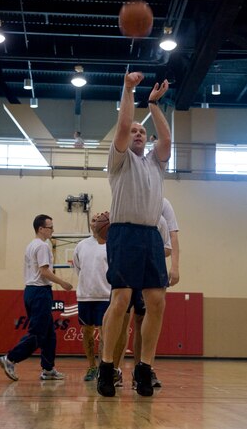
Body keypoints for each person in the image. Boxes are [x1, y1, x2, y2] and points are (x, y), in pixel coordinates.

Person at [97, 71, 171, 397]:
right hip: (124, 232)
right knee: (122, 299)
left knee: (156, 301)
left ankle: (144, 368)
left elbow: (166, 140)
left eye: (143, 131)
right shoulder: (120, 159)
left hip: (151, 235)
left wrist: (154, 104)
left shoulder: (156, 162)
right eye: (135, 131)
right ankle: (106, 367)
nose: (138, 133)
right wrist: (128, 89)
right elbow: (124, 126)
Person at [0, 214, 73, 381]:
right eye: (50, 227)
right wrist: (63, 283)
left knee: (49, 333)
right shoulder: (42, 246)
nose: (52, 230)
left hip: (31, 291)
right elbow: (44, 271)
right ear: (41, 228)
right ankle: (10, 358)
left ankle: (48, 369)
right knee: (38, 333)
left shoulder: (31, 245)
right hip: (40, 292)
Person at [113, 213, 172, 389]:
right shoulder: (123, 216)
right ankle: (113, 369)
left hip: (147, 274)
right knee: (122, 320)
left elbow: (168, 249)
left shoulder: (159, 220)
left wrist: (147, 253)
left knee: (141, 320)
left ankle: (142, 370)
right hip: (126, 273)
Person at [73, 211, 111, 382]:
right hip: (85, 296)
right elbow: (78, 269)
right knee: (87, 333)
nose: (96, 222)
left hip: (105, 296)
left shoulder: (111, 245)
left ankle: (104, 368)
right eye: (94, 220)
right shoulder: (81, 245)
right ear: (91, 224)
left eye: (99, 220)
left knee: (104, 335)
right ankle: (91, 367)